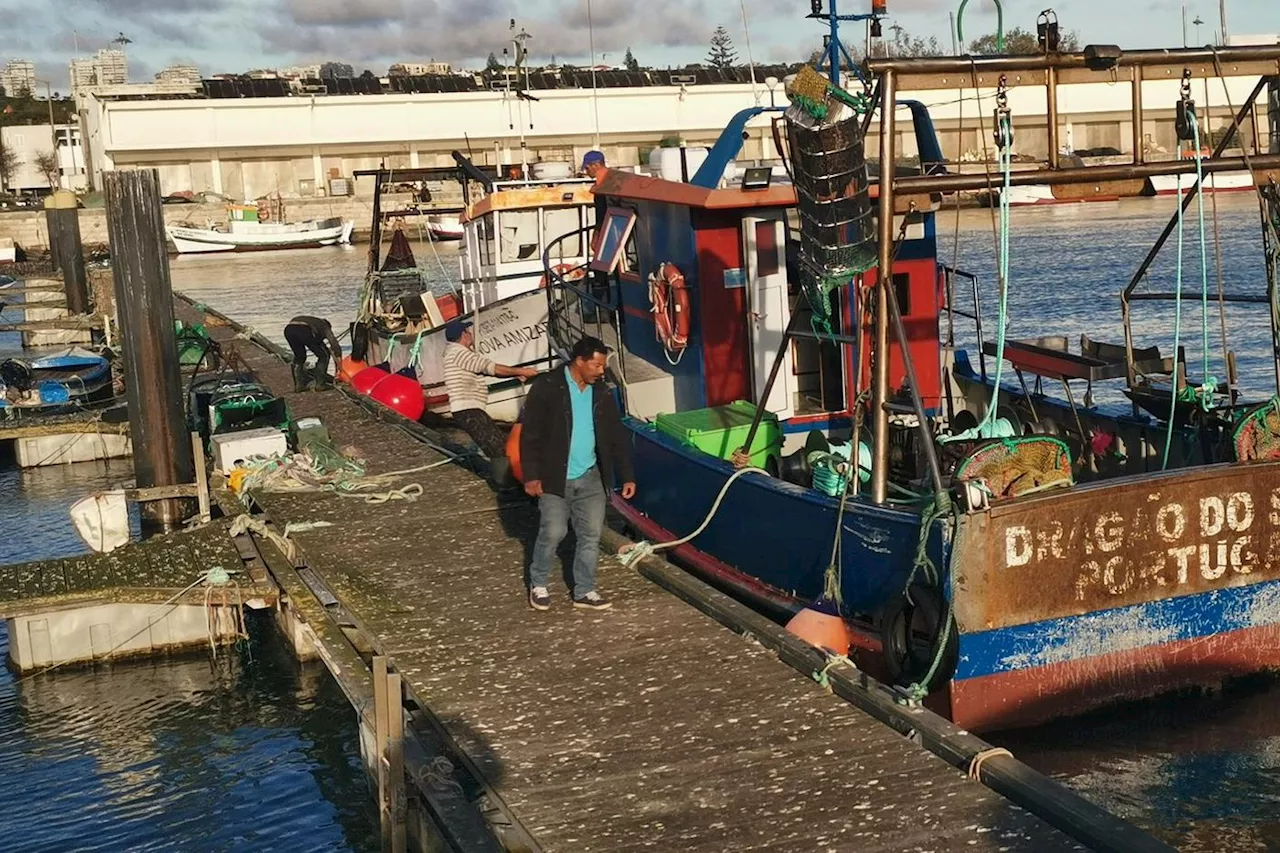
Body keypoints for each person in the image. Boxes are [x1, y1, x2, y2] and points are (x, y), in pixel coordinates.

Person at [519, 335, 635, 612]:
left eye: (602, 366)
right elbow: (530, 435)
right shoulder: (547, 387)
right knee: (554, 532)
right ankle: (538, 583)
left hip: (591, 476)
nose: (601, 370)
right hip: (554, 477)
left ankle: (585, 590)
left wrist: (627, 474)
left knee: (591, 535)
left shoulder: (602, 392)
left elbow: (616, 435)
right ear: (579, 361)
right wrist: (531, 476)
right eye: (596, 365)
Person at [443, 318, 538, 469]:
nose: (471, 335)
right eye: (468, 332)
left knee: (497, 442)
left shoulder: (455, 354)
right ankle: (507, 486)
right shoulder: (459, 353)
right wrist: (521, 371)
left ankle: (508, 481)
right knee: (497, 447)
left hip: (469, 409)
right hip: (467, 409)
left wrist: (513, 375)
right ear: (464, 335)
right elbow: (490, 367)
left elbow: (487, 370)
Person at [581, 151, 612, 323]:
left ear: (595, 165)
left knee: (599, 272)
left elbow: (603, 214)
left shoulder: (602, 186)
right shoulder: (613, 180)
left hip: (609, 235)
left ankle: (602, 312)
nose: (586, 172)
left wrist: (597, 234)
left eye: (587, 168)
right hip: (615, 232)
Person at [284, 315, 343, 392]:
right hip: (304, 330)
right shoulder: (325, 326)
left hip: (289, 330)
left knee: (300, 356)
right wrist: (339, 365)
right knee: (324, 355)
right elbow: (334, 344)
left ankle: (299, 386)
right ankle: (320, 384)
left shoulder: (313, 321)